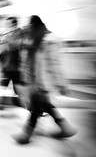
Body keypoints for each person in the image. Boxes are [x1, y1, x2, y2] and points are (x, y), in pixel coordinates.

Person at [13, 15, 77, 144]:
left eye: (30, 26)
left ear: (36, 25)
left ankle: (26, 134)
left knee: (37, 108)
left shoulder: (49, 41)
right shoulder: (35, 40)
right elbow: (29, 63)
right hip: (35, 82)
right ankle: (66, 128)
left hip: (43, 82)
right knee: (46, 106)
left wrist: (62, 84)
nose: (29, 28)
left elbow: (54, 64)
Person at [0, 17, 26, 111]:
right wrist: (0, 65)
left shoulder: (22, 35)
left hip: (18, 68)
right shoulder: (5, 36)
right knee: (3, 86)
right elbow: (1, 53)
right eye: (7, 25)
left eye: (9, 24)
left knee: (18, 88)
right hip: (7, 67)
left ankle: (20, 103)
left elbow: (23, 50)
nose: (8, 26)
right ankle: (2, 103)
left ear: (15, 24)